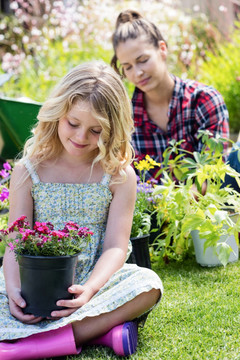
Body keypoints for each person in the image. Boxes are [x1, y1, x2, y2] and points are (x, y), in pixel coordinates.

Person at [0, 61, 163, 359]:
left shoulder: (118, 175)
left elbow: (116, 246)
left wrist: (89, 290)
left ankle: (32, 346)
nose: (81, 137)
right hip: (33, 282)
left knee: (148, 286)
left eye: (96, 130)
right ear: (58, 113)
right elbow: (14, 242)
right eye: (73, 123)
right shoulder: (28, 169)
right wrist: (13, 290)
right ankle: (103, 333)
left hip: (93, 282)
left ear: (112, 130)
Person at [110, 9, 240, 182]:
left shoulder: (204, 100)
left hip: (210, 204)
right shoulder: (125, 118)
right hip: (151, 207)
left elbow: (212, 175)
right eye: (128, 67)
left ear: (162, 49)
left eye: (143, 60)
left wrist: (176, 202)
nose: (137, 72)